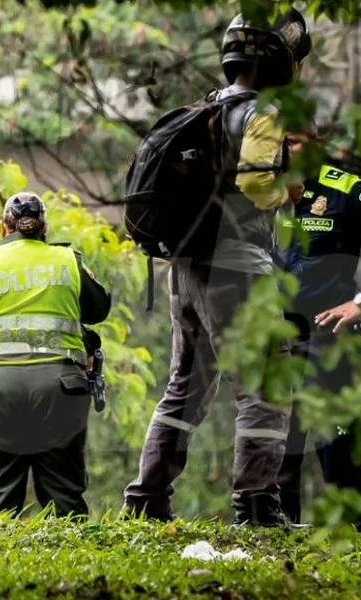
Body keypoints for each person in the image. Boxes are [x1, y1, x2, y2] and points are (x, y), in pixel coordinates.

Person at [123, 9, 312, 527]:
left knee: (185, 385)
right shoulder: (263, 114)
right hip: (238, 272)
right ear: (279, 61)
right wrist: (289, 188)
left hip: (185, 270)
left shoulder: (209, 110)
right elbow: (256, 185)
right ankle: (256, 504)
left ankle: (147, 499)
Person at [0, 192, 111, 518]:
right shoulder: (67, 261)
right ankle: (75, 566)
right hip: (60, 389)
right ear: (44, 228)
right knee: (65, 501)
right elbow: (99, 308)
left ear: (4, 228)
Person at [276, 157, 361, 532]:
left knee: (335, 442)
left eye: (298, 141)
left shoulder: (347, 189)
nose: (288, 150)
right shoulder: (262, 188)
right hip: (278, 332)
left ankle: (354, 534)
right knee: (279, 437)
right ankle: (276, 530)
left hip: (328, 333)